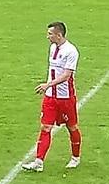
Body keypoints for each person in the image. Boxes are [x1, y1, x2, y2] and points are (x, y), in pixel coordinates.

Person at [22, 22, 82, 172]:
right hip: (50, 97)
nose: (47, 37)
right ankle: (39, 161)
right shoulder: (53, 48)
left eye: (50, 34)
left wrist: (48, 85)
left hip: (65, 98)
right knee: (46, 127)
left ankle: (75, 157)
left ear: (59, 35)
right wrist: (48, 88)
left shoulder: (71, 51)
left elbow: (67, 75)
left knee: (72, 127)